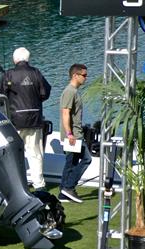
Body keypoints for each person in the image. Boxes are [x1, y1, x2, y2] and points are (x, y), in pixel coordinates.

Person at [0, 47, 51, 191]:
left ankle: (17, 184)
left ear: (15, 60)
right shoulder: (36, 73)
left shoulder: (8, 74)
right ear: (28, 59)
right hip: (34, 119)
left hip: (14, 121)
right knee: (35, 153)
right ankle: (39, 185)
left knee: (14, 153)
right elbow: (45, 92)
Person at [58, 64, 91, 204]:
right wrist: (70, 134)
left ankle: (63, 193)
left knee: (70, 163)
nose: (86, 78)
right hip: (73, 136)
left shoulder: (73, 91)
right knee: (86, 159)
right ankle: (69, 187)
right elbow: (65, 113)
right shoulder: (70, 91)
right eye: (84, 75)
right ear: (75, 75)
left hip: (74, 134)